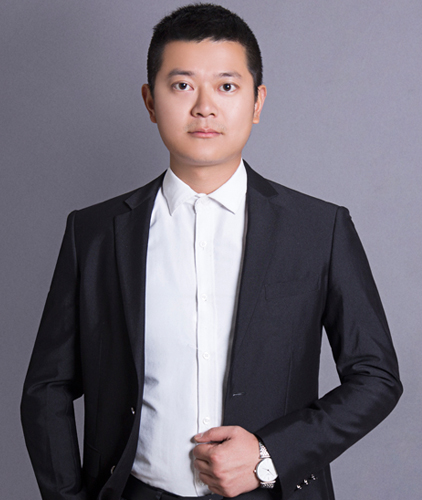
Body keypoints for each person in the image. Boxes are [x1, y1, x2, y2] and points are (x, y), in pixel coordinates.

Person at [21, 4, 402, 500]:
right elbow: (46, 388)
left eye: (226, 86)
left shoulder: (319, 229)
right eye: (182, 85)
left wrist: (269, 457)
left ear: (257, 101)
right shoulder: (93, 232)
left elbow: (376, 377)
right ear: (150, 101)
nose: (204, 107)